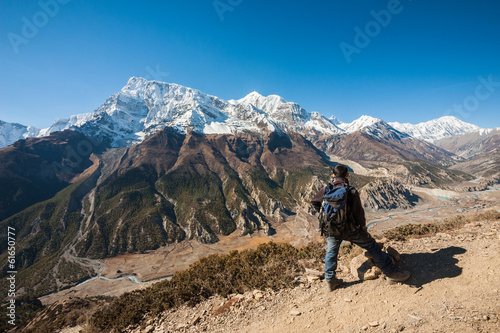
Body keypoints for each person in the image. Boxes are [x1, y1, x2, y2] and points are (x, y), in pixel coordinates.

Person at [311, 164, 410, 291]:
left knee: (331, 252)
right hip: (351, 229)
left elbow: (314, 201)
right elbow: (359, 214)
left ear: (333, 175)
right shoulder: (351, 191)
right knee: (372, 246)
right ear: (347, 175)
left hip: (332, 228)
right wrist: (364, 230)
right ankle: (391, 273)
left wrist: (326, 215)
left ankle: (330, 281)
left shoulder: (326, 188)